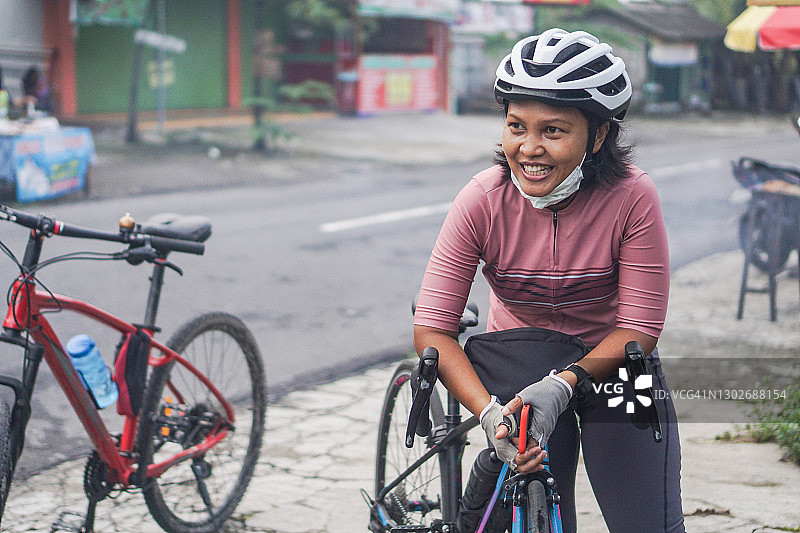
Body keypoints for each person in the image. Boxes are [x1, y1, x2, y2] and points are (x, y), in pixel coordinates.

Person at [412, 29, 684, 532]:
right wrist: (489, 414)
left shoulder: (632, 196)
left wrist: (566, 383)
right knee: (528, 505)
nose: (529, 149)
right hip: (522, 352)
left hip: (616, 360)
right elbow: (432, 329)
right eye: (517, 126)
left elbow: (642, 327)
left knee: (648, 520)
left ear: (598, 135)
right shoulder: (482, 199)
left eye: (553, 131)